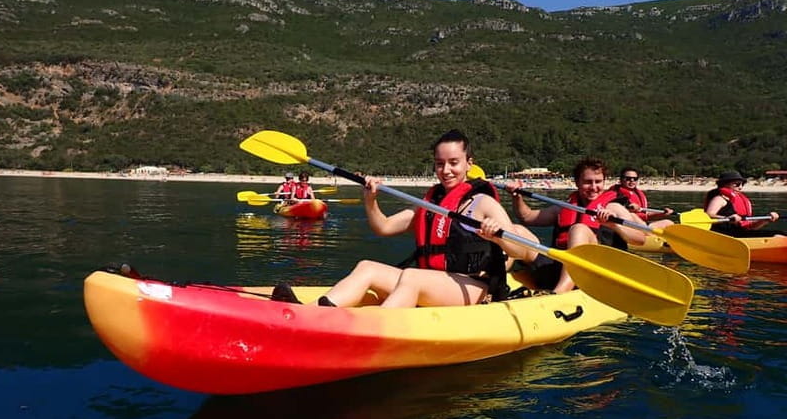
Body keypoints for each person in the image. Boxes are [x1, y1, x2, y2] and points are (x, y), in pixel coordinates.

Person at [271, 129, 540, 308]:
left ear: (469, 163)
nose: (446, 170)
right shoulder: (429, 204)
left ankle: (374, 328)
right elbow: (384, 227)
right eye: (439, 163)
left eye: (454, 162)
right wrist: (370, 199)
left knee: (412, 277)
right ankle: (316, 313)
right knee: (367, 267)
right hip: (432, 281)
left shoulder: (484, 203)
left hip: (472, 286)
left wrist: (498, 237)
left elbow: (520, 249)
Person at [504, 158, 647, 294]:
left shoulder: (614, 208)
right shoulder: (565, 207)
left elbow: (640, 239)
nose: (594, 187)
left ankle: (561, 292)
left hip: (594, 274)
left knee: (579, 229)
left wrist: (614, 225)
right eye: (588, 182)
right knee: (515, 231)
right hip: (557, 269)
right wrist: (517, 197)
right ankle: (496, 284)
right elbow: (527, 217)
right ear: (577, 182)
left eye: (598, 182)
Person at [704, 170, 783, 237]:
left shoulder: (741, 201)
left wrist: (765, 220)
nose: (740, 187)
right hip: (724, 234)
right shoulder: (719, 199)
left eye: (742, 184)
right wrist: (727, 218)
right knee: (776, 236)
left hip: (738, 233)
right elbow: (708, 215)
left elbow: (751, 227)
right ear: (724, 184)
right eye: (737, 184)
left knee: (780, 234)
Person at [609, 167, 674, 223]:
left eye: (635, 179)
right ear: (621, 179)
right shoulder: (614, 193)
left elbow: (646, 215)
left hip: (640, 224)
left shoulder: (638, 194)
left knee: (668, 222)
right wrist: (627, 208)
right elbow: (611, 208)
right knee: (633, 216)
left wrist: (662, 214)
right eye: (628, 178)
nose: (632, 180)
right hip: (626, 224)